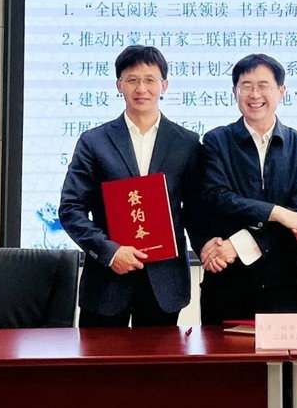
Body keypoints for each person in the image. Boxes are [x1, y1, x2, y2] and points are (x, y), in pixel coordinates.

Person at [59, 45, 200, 327]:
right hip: (106, 281)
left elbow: (197, 209)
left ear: (164, 85)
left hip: (164, 283)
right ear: (119, 85)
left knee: (159, 359)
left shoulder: (187, 142)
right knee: (100, 358)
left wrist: (209, 246)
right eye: (132, 80)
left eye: (150, 80)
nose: (141, 88)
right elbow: (71, 209)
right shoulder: (94, 142)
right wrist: (110, 252)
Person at [185, 53, 297, 325]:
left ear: (281, 91)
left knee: (280, 355)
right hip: (226, 279)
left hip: (282, 285)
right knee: (221, 353)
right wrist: (277, 213)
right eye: (246, 86)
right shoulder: (216, 141)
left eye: (263, 85)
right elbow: (218, 198)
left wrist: (238, 244)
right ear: (234, 92)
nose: (254, 94)